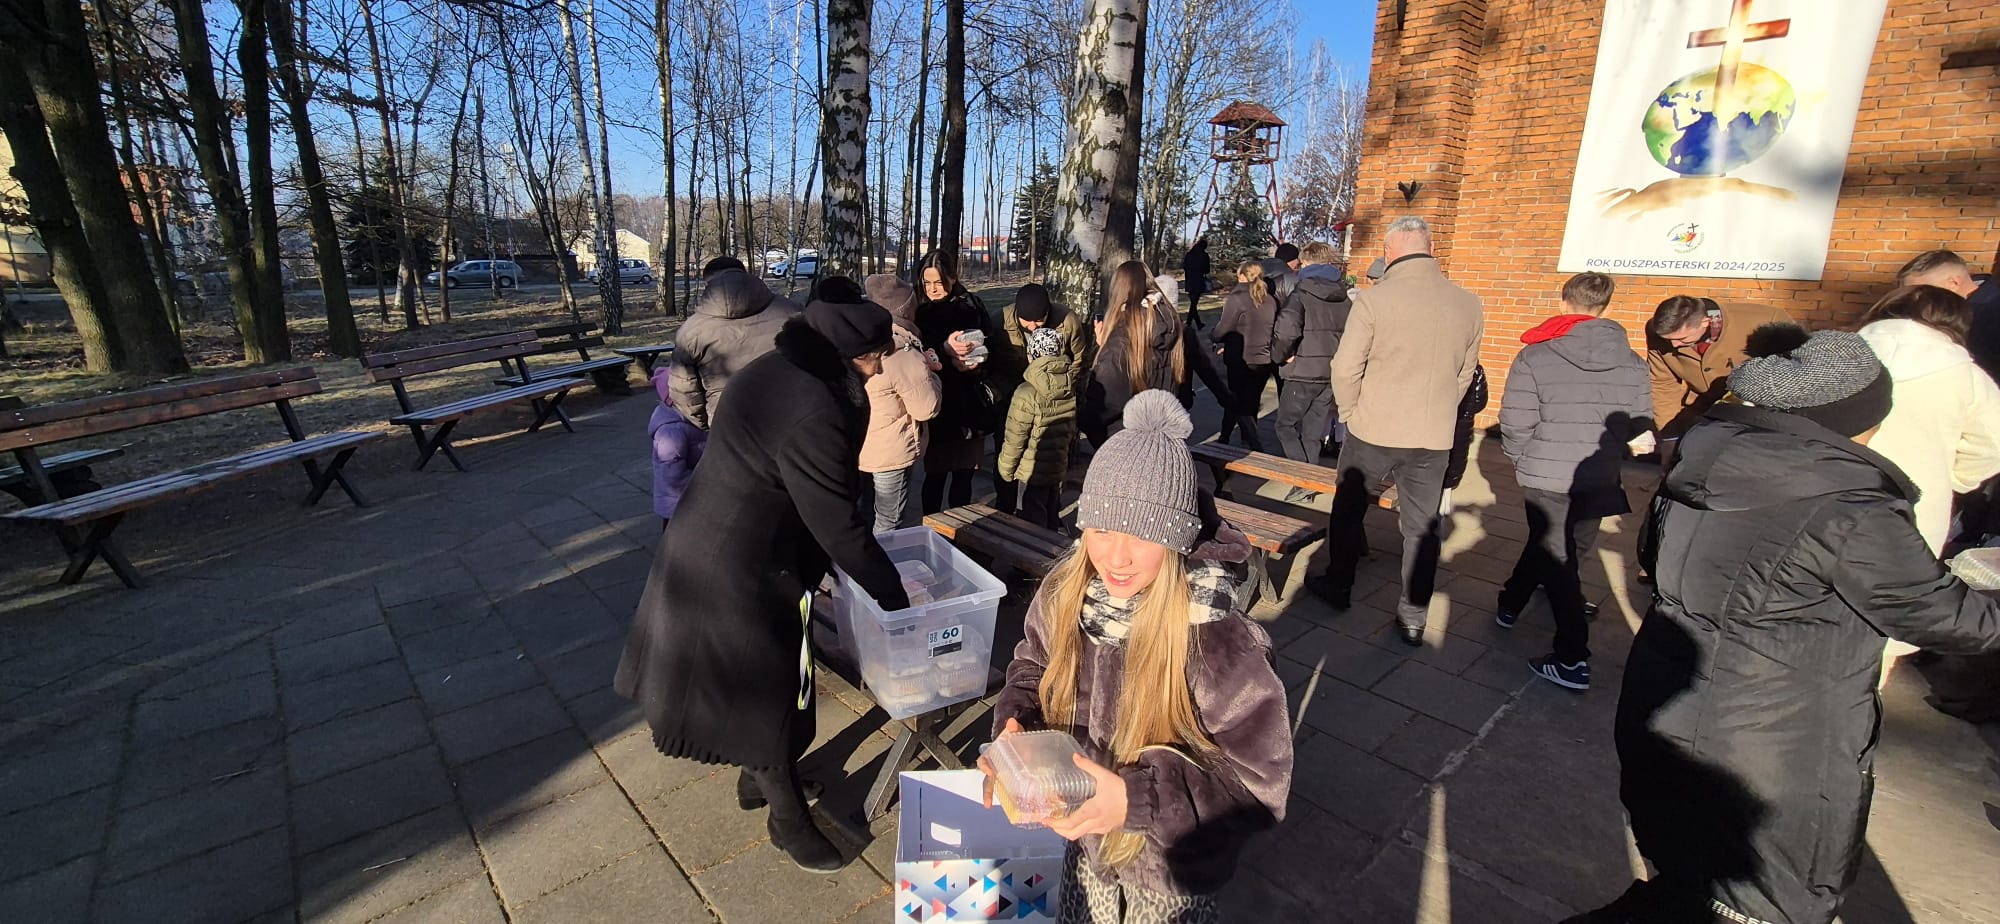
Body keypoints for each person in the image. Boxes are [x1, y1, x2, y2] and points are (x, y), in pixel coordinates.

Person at [1569, 328, 2000, 924]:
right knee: (1765, 899)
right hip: (1778, 735)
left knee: (1680, 866)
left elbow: (1653, 556)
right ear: (1863, 419)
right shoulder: (1852, 507)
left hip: (1664, 697)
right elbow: (1952, 619)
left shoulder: (1703, 458)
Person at [614, 290, 911, 874]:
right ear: (847, 356)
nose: (879, 370)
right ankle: (787, 821)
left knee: (778, 681)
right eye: (875, 358)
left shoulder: (780, 365)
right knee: (766, 692)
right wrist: (894, 595)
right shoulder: (815, 409)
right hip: (737, 566)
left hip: (729, 540)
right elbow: (838, 524)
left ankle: (759, 780)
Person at [986, 390, 1293, 923]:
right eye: (1103, 530)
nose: (1117, 557)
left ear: (1176, 541)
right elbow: (1032, 665)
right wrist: (1017, 728)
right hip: (1083, 853)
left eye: (1143, 537)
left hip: (1167, 878)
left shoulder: (1214, 636)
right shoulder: (1065, 595)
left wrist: (1140, 800)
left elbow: (1258, 786)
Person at [1309, 216, 1483, 646]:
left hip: (1373, 428)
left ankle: (1339, 583)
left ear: (1389, 252)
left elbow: (1345, 367)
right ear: (1430, 247)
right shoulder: (1468, 304)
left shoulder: (1374, 301)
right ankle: (1413, 616)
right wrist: (1440, 411)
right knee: (1422, 528)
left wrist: (1349, 412)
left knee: (1349, 511)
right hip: (1432, 434)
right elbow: (1465, 375)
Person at [1494, 272, 1652, 691]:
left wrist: (1521, 458)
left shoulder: (1535, 356)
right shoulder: (1633, 363)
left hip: (1546, 473)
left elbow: (1515, 420)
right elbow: (1640, 423)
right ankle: (1511, 600)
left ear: (1564, 302)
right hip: (1597, 473)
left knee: (1556, 555)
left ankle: (1571, 657)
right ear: (1605, 307)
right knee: (1556, 546)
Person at [1645, 294, 1793, 460]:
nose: (1674, 345)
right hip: (1701, 413)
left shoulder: (1769, 322)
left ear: (1705, 322)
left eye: (1682, 339)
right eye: (1669, 340)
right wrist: (1670, 435)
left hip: (1758, 417)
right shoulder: (1657, 332)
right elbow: (1662, 383)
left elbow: (1795, 374)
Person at [915, 251, 1004, 513]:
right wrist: (944, 352)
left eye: (938, 282)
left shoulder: (972, 305)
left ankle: (959, 530)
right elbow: (914, 356)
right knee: (935, 477)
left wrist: (977, 365)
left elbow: (992, 348)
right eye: (927, 283)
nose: (932, 289)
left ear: (952, 278)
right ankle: (930, 527)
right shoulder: (919, 311)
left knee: (964, 477)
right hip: (939, 407)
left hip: (970, 407)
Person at [668, 257, 803, 429]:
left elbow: (684, 391)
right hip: (794, 417)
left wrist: (706, 425)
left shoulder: (692, 330)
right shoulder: (792, 311)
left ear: (708, 283)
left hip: (729, 425)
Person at [859, 273, 945, 533]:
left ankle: (857, 555)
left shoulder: (859, 340)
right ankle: (882, 559)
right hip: (891, 452)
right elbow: (927, 408)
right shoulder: (904, 352)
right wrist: (933, 373)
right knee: (889, 519)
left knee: (865, 511)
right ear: (907, 310)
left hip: (859, 443)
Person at [996, 284, 1085, 529]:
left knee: (1031, 514)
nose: (1033, 327)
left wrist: (1005, 471)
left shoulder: (1068, 322)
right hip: (1053, 464)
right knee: (1046, 504)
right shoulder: (1000, 321)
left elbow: (1015, 440)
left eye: (1039, 320)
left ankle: (1028, 542)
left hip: (1029, 464)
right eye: (1027, 321)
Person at [1271, 241, 1350, 503]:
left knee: (1285, 425)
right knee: (1313, 431)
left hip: (1302, 371)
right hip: (1330, 371)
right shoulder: (1343, 296)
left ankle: (1302, 480)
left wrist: (1280, 355)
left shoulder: (1301, 292)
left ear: (1306, 263)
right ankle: (1307, 483)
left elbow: (1286, 330)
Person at [1083, 261, 1189, 445]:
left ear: (1119, 291)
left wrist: (1105, 348)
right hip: (1165, 439)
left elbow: (1105, 403)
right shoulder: (1173, 326)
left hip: (1125, 444)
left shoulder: (1121, 340)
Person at [1895, 249, 2000, 381]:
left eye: (1922, 292)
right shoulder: (1942, 311)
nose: (1914, 300)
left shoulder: (1992, 314)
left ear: (1953, 283)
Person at [1210, 262, 1278, 450]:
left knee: (1235, 400)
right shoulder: (1270, 300)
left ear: (1242, 276)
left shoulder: (1237, 298)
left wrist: (1214, 336)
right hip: (1263, 358)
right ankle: (1246, 438)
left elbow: (1224, 327)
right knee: (1252, 401)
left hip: (1240, 357)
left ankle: (1232, 439)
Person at [648, 369, 706, 531]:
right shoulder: (671, 431)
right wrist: (702, 490)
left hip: (692, 497)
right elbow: (672, 474)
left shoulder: (691, 420)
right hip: (679, 502)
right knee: (679, 536)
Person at [1181, 237, 1212, 330]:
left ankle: (1192, 323)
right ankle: (1192, 323)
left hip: (1190, 280)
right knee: (1194, 304)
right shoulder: (1204, 256)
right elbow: (1206, 270)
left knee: (1193, 303)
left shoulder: (1189, 255)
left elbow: (1184, 267)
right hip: (1198, 281)